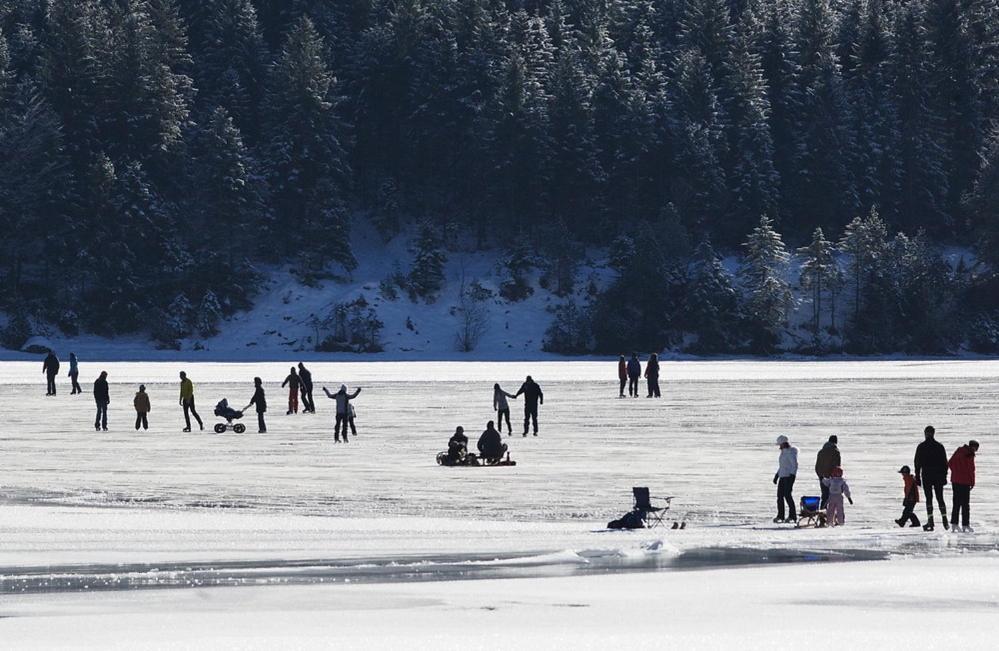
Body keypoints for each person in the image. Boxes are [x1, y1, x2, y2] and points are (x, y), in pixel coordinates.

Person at [914, 425, 949, 531]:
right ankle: (944, 520)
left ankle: (931, 522)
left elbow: (917, 463)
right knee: (940, 498)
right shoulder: (939, 446)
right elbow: (945, 463)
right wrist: (944, 475)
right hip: (938, 475)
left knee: (929, 499)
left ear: (925, 433)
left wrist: (917, 477)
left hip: (927, 475)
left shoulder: (922, 446)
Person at [948, 440, 979, 532]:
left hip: (955, 481)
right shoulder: (969, 455)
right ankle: (965, 524)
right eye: (976, 448)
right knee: (965, 505)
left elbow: (950, 463)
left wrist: (956, 472)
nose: (976, 450)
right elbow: (971, 471)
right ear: (973, 447)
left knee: (956, 503)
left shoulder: (959, 451)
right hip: (964, 482)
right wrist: (972, 482)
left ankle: (954, 523)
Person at [773, 434, 798, 523]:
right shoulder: (783, 452)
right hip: (782, 477)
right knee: (780, 497)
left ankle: (793, 516)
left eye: (780, 444)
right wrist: (777, 475)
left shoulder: (791, 452)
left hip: (788, 477)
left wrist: (792, 476)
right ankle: (781, 515)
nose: (779, 446)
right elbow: (782, 466)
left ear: (784, 443)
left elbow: (794, 465)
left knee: (787, 496)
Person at [814, 435, 841, 509]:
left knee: (824, 496)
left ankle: (822, 514)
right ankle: (830, 514)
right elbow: (837, 466)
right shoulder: (835, 451)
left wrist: (820, 476)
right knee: (833, 496)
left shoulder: (821, 451)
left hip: (822, 476)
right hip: (832, 477)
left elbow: (817, 466)